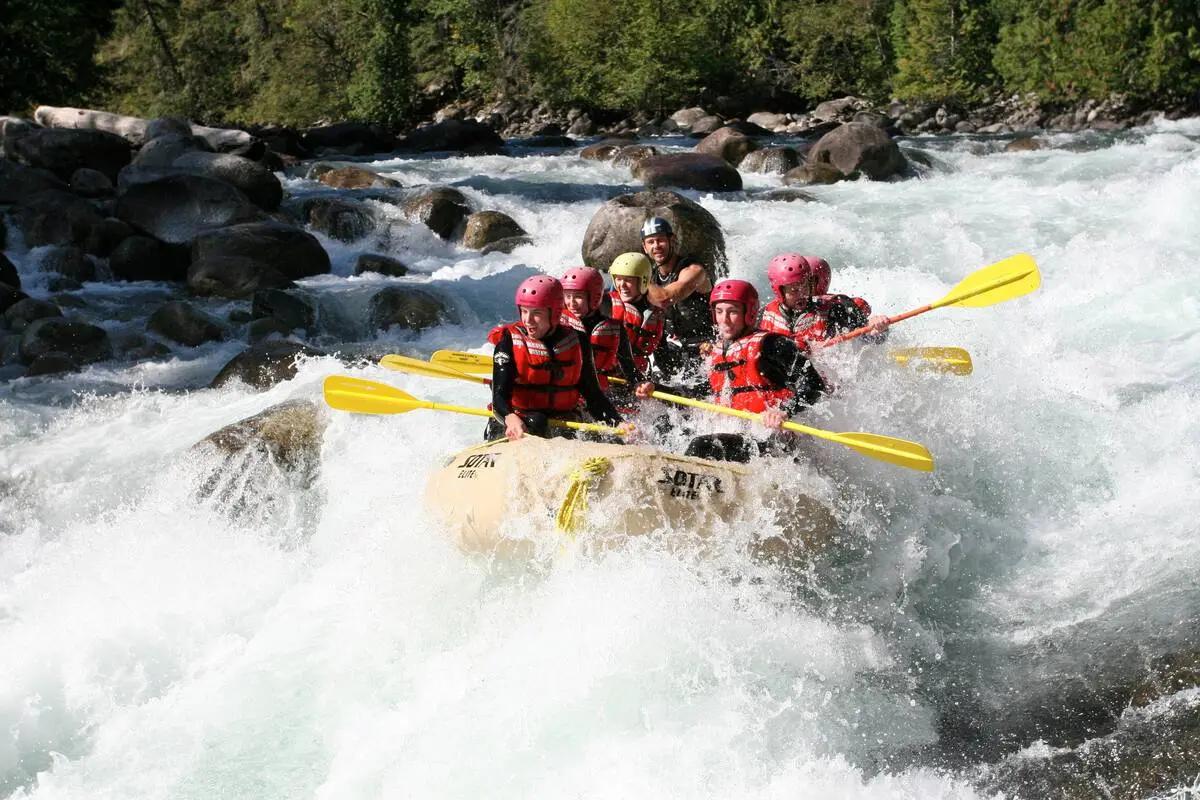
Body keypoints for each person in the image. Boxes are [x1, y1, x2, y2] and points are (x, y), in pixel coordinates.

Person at [635, 279, 827, 461]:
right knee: (663, 425)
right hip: (735, 431)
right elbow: (703, 394)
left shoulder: (773, 344)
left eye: (732, 312)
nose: (724, 320)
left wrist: (783, 411)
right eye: (719, 312)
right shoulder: (719, 350)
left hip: (771, 439)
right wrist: (658, 390)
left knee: (702, 446)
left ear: (749, 313)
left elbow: (814, 385)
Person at [488, 275, 624, 442]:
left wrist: (617, 423)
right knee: (536, 421)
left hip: (561, 422)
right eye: (524, 311)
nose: (528, 320)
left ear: (555, 313)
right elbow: (498, 397)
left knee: (613, 438)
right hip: (515, 422)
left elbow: (592, 394)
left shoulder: (578, 341)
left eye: (536, 313)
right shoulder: (508, 341)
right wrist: (510, 418)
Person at [757, 253, 889, 348]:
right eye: (794, 290)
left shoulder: (833, 310)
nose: (802, 293)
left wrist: (877, 329)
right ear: (779, 291)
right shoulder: (763, 316)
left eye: (805, 286)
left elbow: (870, 338)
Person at [641, 217, 714, 378]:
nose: (656, 246)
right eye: (650, 242)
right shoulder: (651, 275)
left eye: (660, 240)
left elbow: (665, 298)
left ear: (671, 240)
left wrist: (637, 278)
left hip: (704, 345)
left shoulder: (694, 270)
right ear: (644, 247)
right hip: (671, 345)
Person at [560, 265, 642, 393]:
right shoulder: (558, 326)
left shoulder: (614, 328)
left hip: (602, 390)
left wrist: (640, 384)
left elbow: (629, 368)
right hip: (569, 391)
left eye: (578, 297)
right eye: (568, 296)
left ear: (595, 297)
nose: (572, 303)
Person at [607, 252, 665, 376]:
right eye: (618, 279)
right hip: (607, 374)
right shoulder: (605, 305)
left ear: (643, 281)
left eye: (628, 280)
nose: (622, 285)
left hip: (638, 374)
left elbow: (662, 351)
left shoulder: (655, 312)